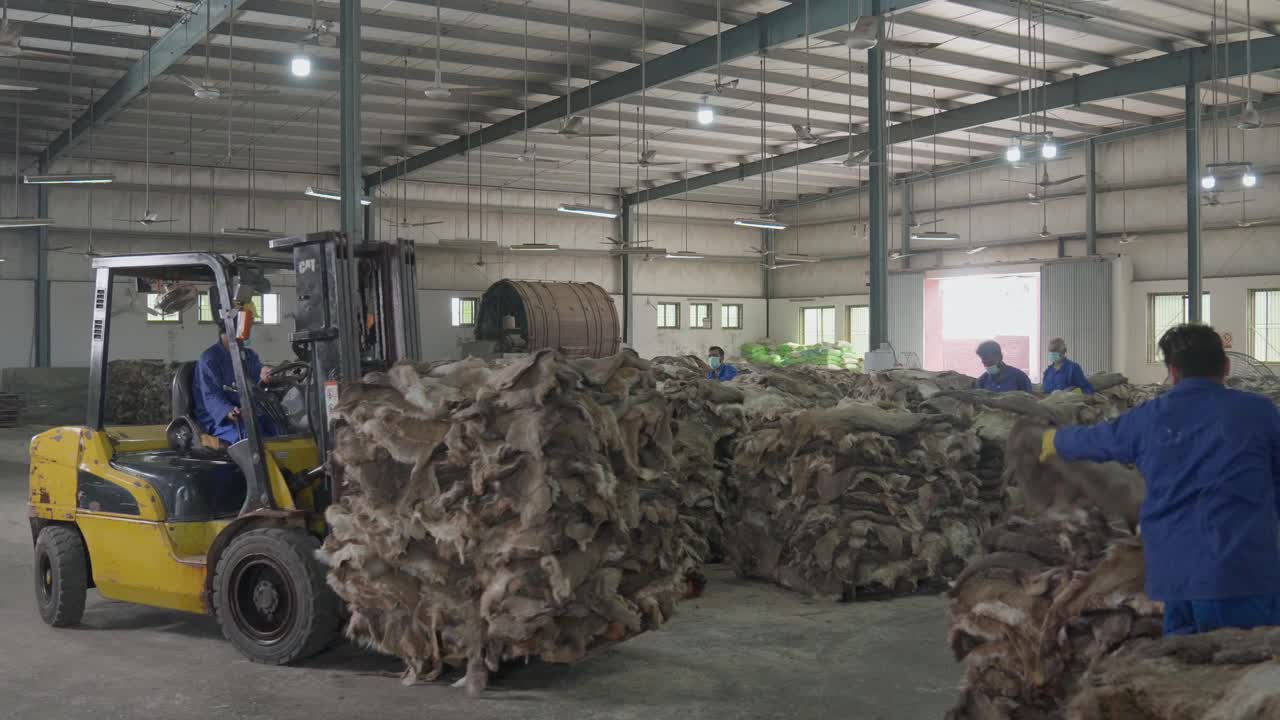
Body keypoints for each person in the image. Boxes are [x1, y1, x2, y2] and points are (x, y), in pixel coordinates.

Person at [1042, 324, 1280, 636]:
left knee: (1180, 672)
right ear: (1226, 366)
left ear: (1173, 372)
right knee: (1246, 674)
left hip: (1174, 575)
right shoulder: (1259, 412)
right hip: (1244, 572)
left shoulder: (1148, 418)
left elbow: (1095, 440)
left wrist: (1049, 441)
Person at [193, 297, 275, 445]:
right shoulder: (210, 359)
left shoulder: (248, 354)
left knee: (277, 428)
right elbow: (211, 396)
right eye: (249, 323)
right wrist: (228, 410)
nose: (251, 327)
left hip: (246, 414)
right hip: (219, 420)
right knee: (246, 439)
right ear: (236, 324)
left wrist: (264, 371)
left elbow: (257, 371)